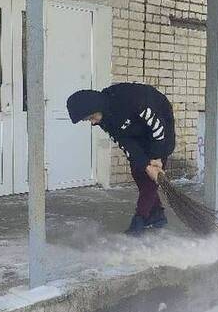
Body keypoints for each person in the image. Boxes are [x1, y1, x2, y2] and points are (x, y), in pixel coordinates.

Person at [67, 83, 175, 235]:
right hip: (136, 130)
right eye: (88, 120)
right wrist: (145, 165)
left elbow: (157, 127)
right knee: (139, 171)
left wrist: (157, 157)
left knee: (150, 180)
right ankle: (157, 214)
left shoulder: (131, 100)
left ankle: (140, 218)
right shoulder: (105, 120)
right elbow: (126, 144)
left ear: (97, 107)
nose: (93, 123)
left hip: (160, 119)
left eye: (91, 117)